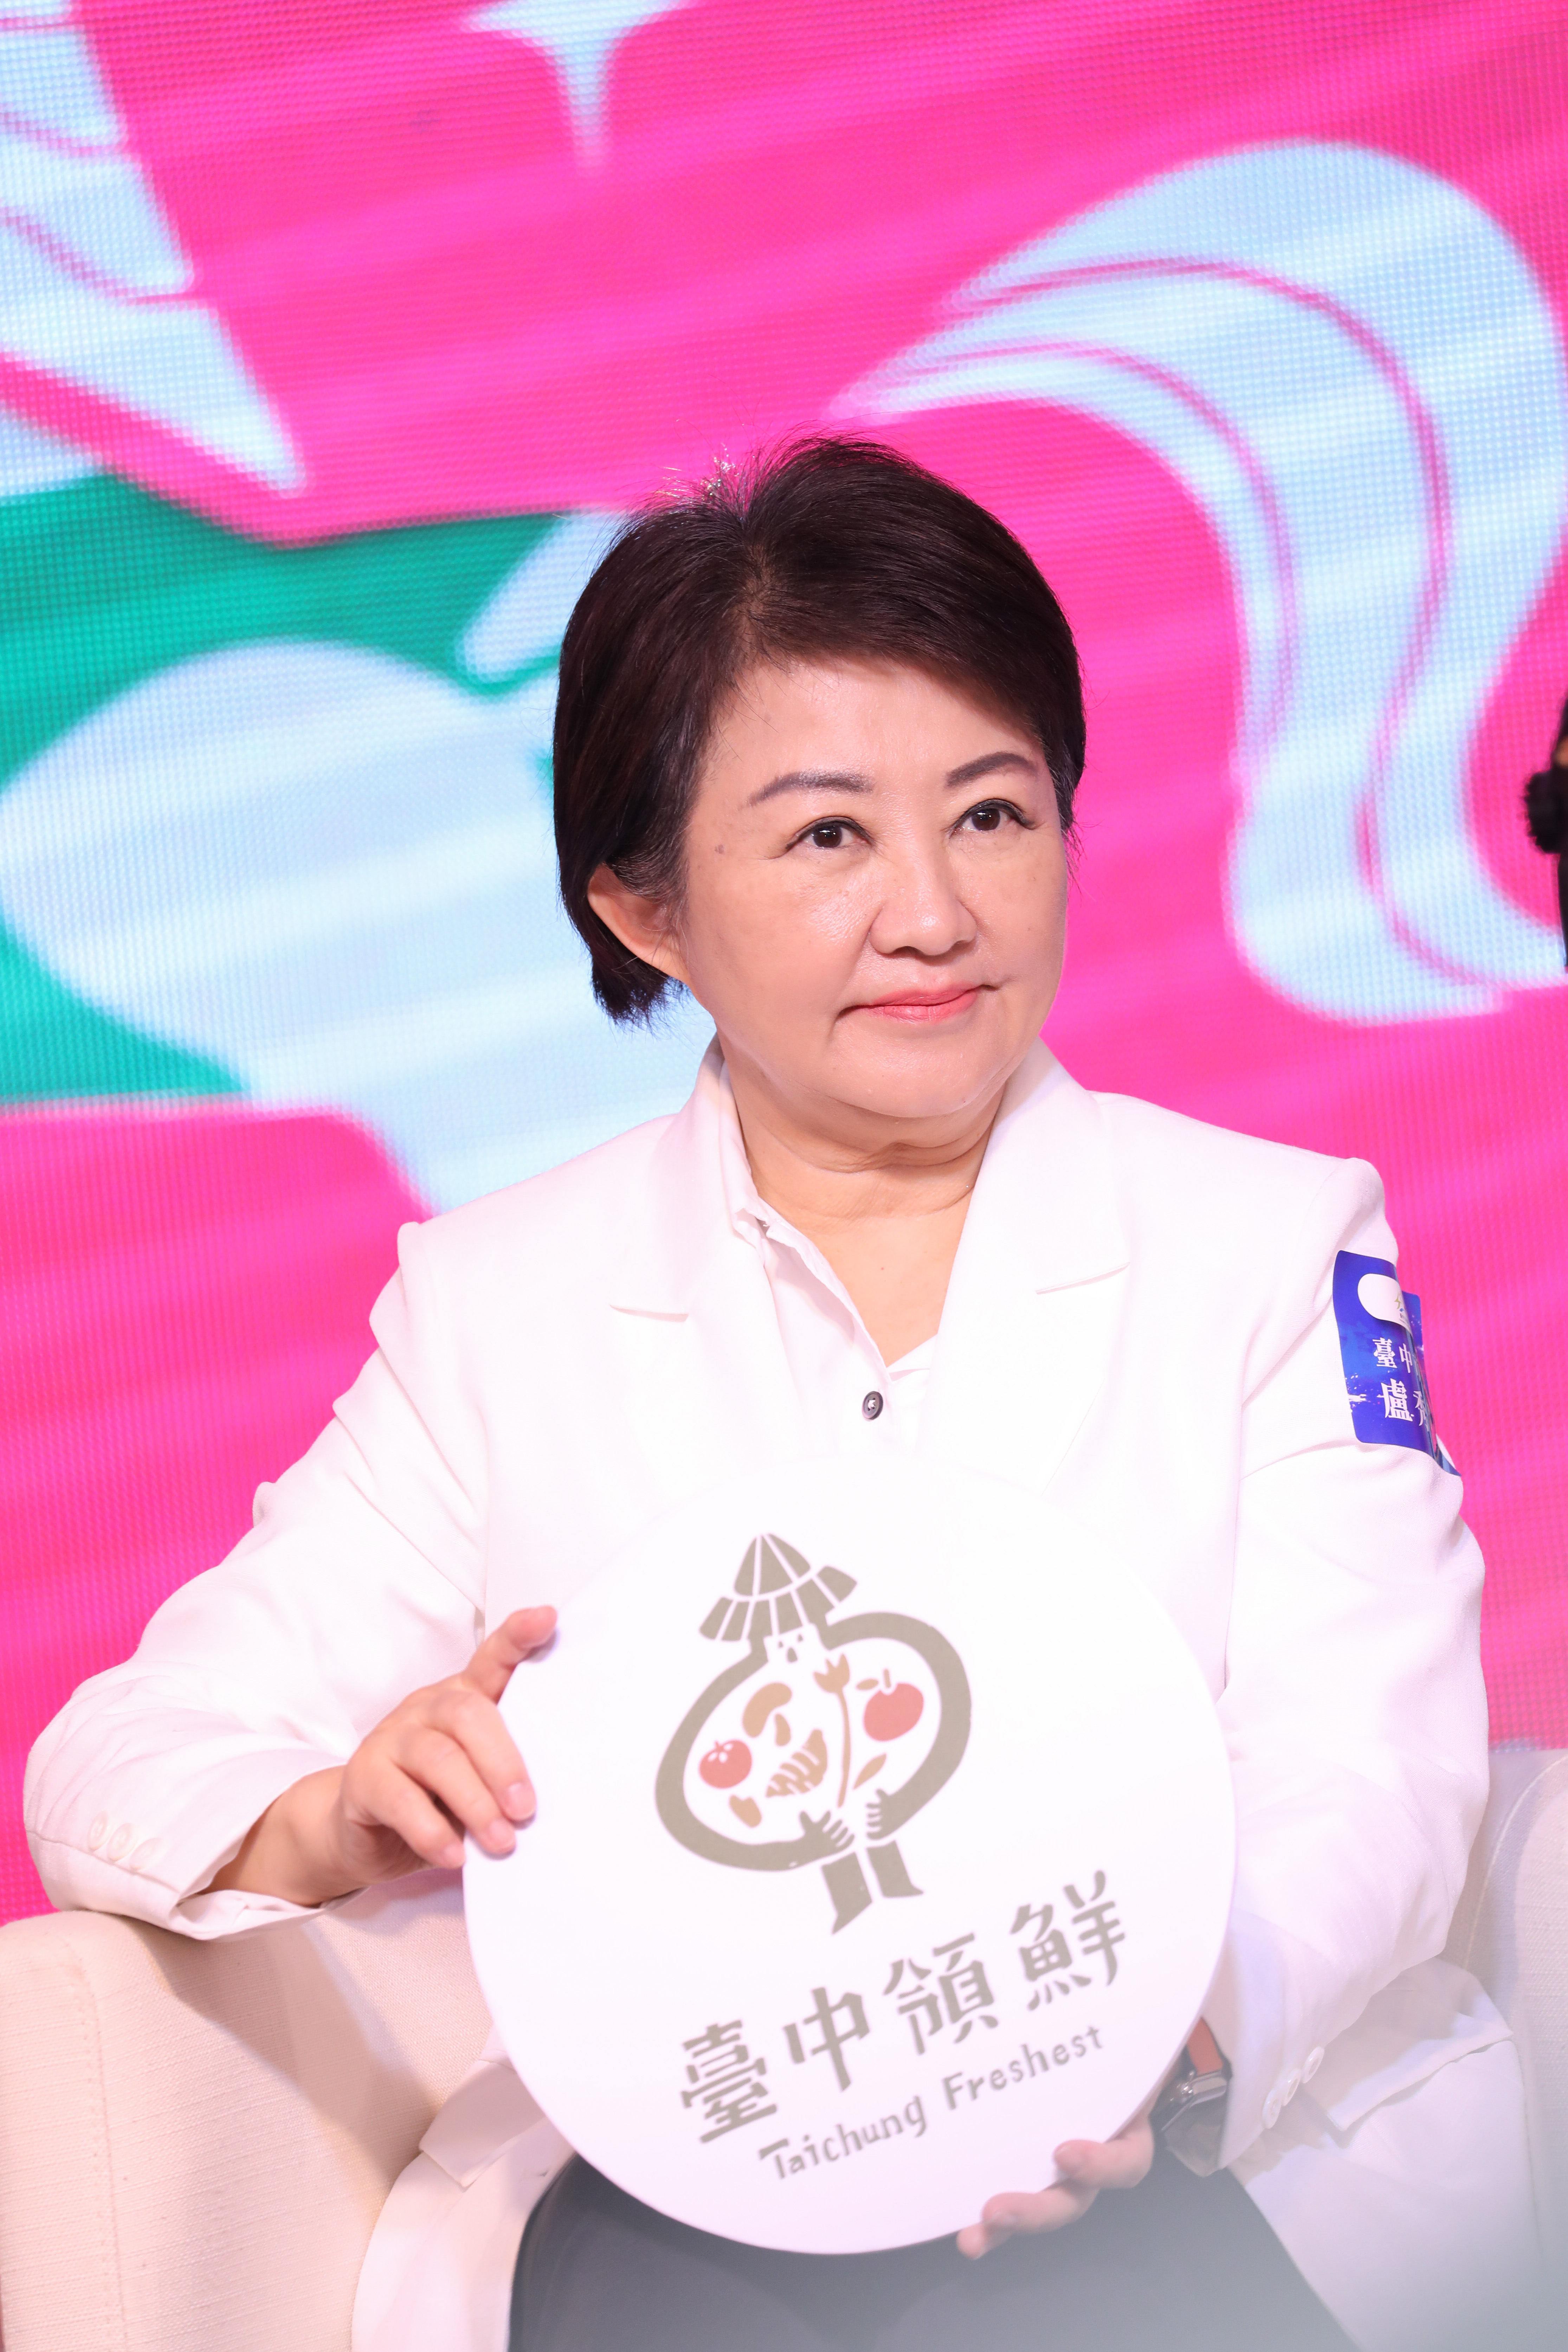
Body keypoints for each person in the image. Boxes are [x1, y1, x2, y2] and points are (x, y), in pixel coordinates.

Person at [26, 441, 1541, 2352]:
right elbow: (116, 1760)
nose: (934, 911)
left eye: (993, 813)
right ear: (645, 907)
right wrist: (345, 1812)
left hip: (1174, 2149)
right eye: (829, 838)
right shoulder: (494, 1311)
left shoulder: (1275, 1241)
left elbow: (1370, 1763)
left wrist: (1151, 2040)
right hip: (696, 2190)